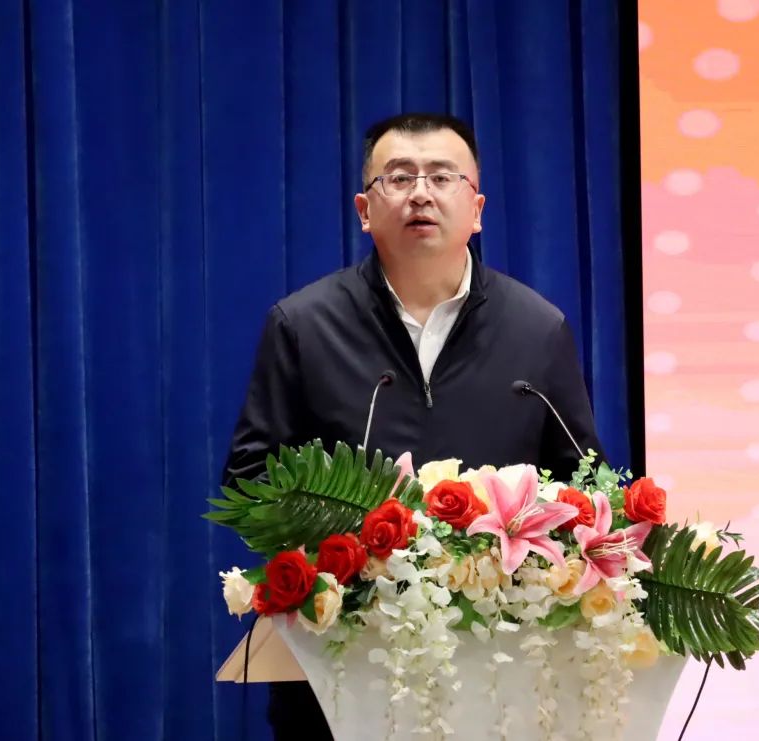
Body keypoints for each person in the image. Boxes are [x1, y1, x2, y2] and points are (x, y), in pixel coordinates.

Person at [222, 113, 602, 740]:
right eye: (398, 177)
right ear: (364, 210)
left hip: (496, 665)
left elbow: (582, 490)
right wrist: (350, 536)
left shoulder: (538, 329)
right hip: (345, 664)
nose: (421, 193)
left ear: (476, 209)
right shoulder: (304, 325)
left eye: (442, 177)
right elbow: (248, 481)